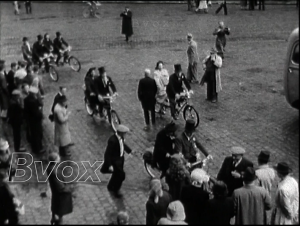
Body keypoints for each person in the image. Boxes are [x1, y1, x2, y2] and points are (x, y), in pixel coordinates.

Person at [100, 125, 133, 198]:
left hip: (121, 159)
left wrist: (129, 151)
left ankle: (110, 186)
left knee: (116, 175)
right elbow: (107, 154)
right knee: (121, 176)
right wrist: (110, 165)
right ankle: (115, 190)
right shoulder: (112, 141)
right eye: (125, 133)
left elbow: (122, 145)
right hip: (115, 161)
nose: (125, 134)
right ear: (121, 133)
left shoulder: (121, 138)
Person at [47, 152, 73, 225]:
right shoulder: (54, 171)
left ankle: (53, 218)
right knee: (59, 211)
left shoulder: (51, 168)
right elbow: (60, 187)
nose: (59, 158)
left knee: (56, 208)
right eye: (58, 157)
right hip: (59, 195)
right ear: (55, 160)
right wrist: (68, 189)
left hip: (56, 193)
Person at [23, 86, 44, 155]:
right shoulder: (33, 102)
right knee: (36, 134)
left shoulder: (26, 99)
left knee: (33, 133)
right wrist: (40, 111)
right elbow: (36, 113)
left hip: (30, 119)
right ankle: (38, 149)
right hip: (35, 120)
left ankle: (36, 148)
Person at [54, 95, 73, 160]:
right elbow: (62, 120)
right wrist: (67, 115)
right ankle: (65, 153)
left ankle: (63, 152)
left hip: (62, 127)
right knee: (63, 140)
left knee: (63, 139)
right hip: (61, 127)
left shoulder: (60, 106)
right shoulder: (58, 109)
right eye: (65, 101)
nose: (66, 102)